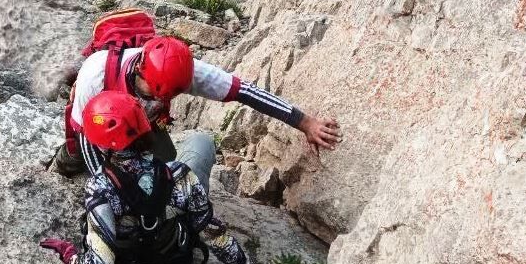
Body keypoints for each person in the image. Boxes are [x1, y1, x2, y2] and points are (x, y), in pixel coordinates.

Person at [40, 91, 304, 264]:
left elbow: (100, 263)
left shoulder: (100, 187)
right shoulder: (179, 175)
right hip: (171, 254)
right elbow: (216, 236)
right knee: (202, 143)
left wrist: (70, 254)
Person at [52, 35, 341, 176]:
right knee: (73, 163)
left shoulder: (184, 71)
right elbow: (85, 136)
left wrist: (305, 123)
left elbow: (246, 92)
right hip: (96, 127)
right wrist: (105, 182)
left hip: (141, 129)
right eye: (152, 93)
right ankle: (65, 163)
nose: (156, 100)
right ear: (139, 68)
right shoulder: (96, 75)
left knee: (161, 169)